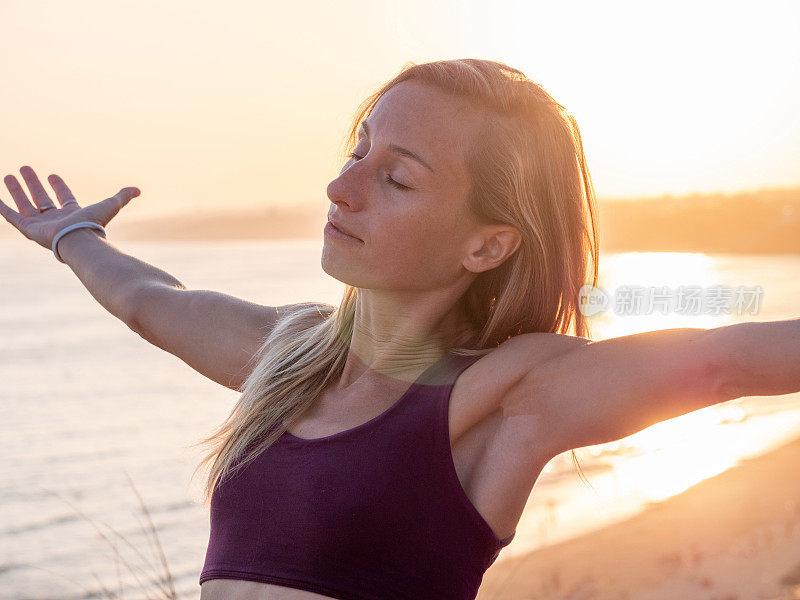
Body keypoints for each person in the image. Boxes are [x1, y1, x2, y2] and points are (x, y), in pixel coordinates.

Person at [1, 58, 798, 600]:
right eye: (357, 151)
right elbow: (150, 299)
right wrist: (75, 237)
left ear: (487, 244)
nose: (341, 187)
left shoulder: (511, 395)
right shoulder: (290, 354)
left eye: (396, 176)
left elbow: (727, 360)